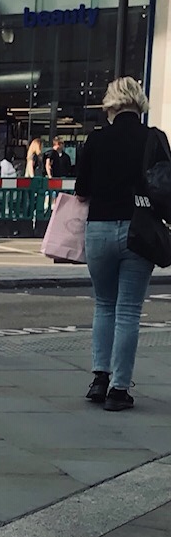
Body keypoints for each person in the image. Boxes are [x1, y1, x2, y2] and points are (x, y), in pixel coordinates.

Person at [75, 77, 161, 412]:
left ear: (110, 104)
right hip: (139, 230)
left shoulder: (96, 139)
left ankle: (99, 378)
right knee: (128, 311)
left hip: (98, 228)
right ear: (139, 103)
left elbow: (82, 188)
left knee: (104, 306)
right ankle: (119, 389)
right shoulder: (154, 139)